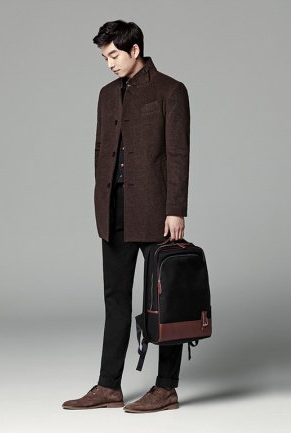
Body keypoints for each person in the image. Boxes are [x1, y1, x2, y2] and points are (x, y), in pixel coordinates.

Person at [62, 19, 190, 413]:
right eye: (105, 57)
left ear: (135, 49)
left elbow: (178, 154)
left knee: (164, 300)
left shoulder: (170, 90)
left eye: (114, 55)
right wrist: (100, 198)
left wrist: (176, 209)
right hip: (114, 208)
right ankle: (108, 386)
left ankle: (166, 388)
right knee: (115, 298)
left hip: (155, 211)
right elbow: (100, 149)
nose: (110, 63)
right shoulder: (106, 95)